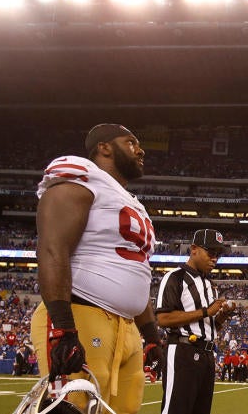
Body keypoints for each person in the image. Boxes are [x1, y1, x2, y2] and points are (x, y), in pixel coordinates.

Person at [30, 123, 164, 414]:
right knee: (73, 407)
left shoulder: (132, 202)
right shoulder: (83, 178)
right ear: (104, 147)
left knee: (125, 410)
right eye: (131, 142)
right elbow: (52, 248)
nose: (141, 150)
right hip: (82, 313)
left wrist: (152, 336)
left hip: (127, 328)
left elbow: (134, 271)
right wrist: (63, 327)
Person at [156, 229, 236, 414]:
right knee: (176, 409)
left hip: (207, 354)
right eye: (211, 252)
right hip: (183, 351)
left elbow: (209, 327)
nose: (215, 259)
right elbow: (163, 318)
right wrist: (206, 311)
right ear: (194, 249)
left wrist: (223, 315)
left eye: (218, 254)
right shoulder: (175, 277)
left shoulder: (210, 285)